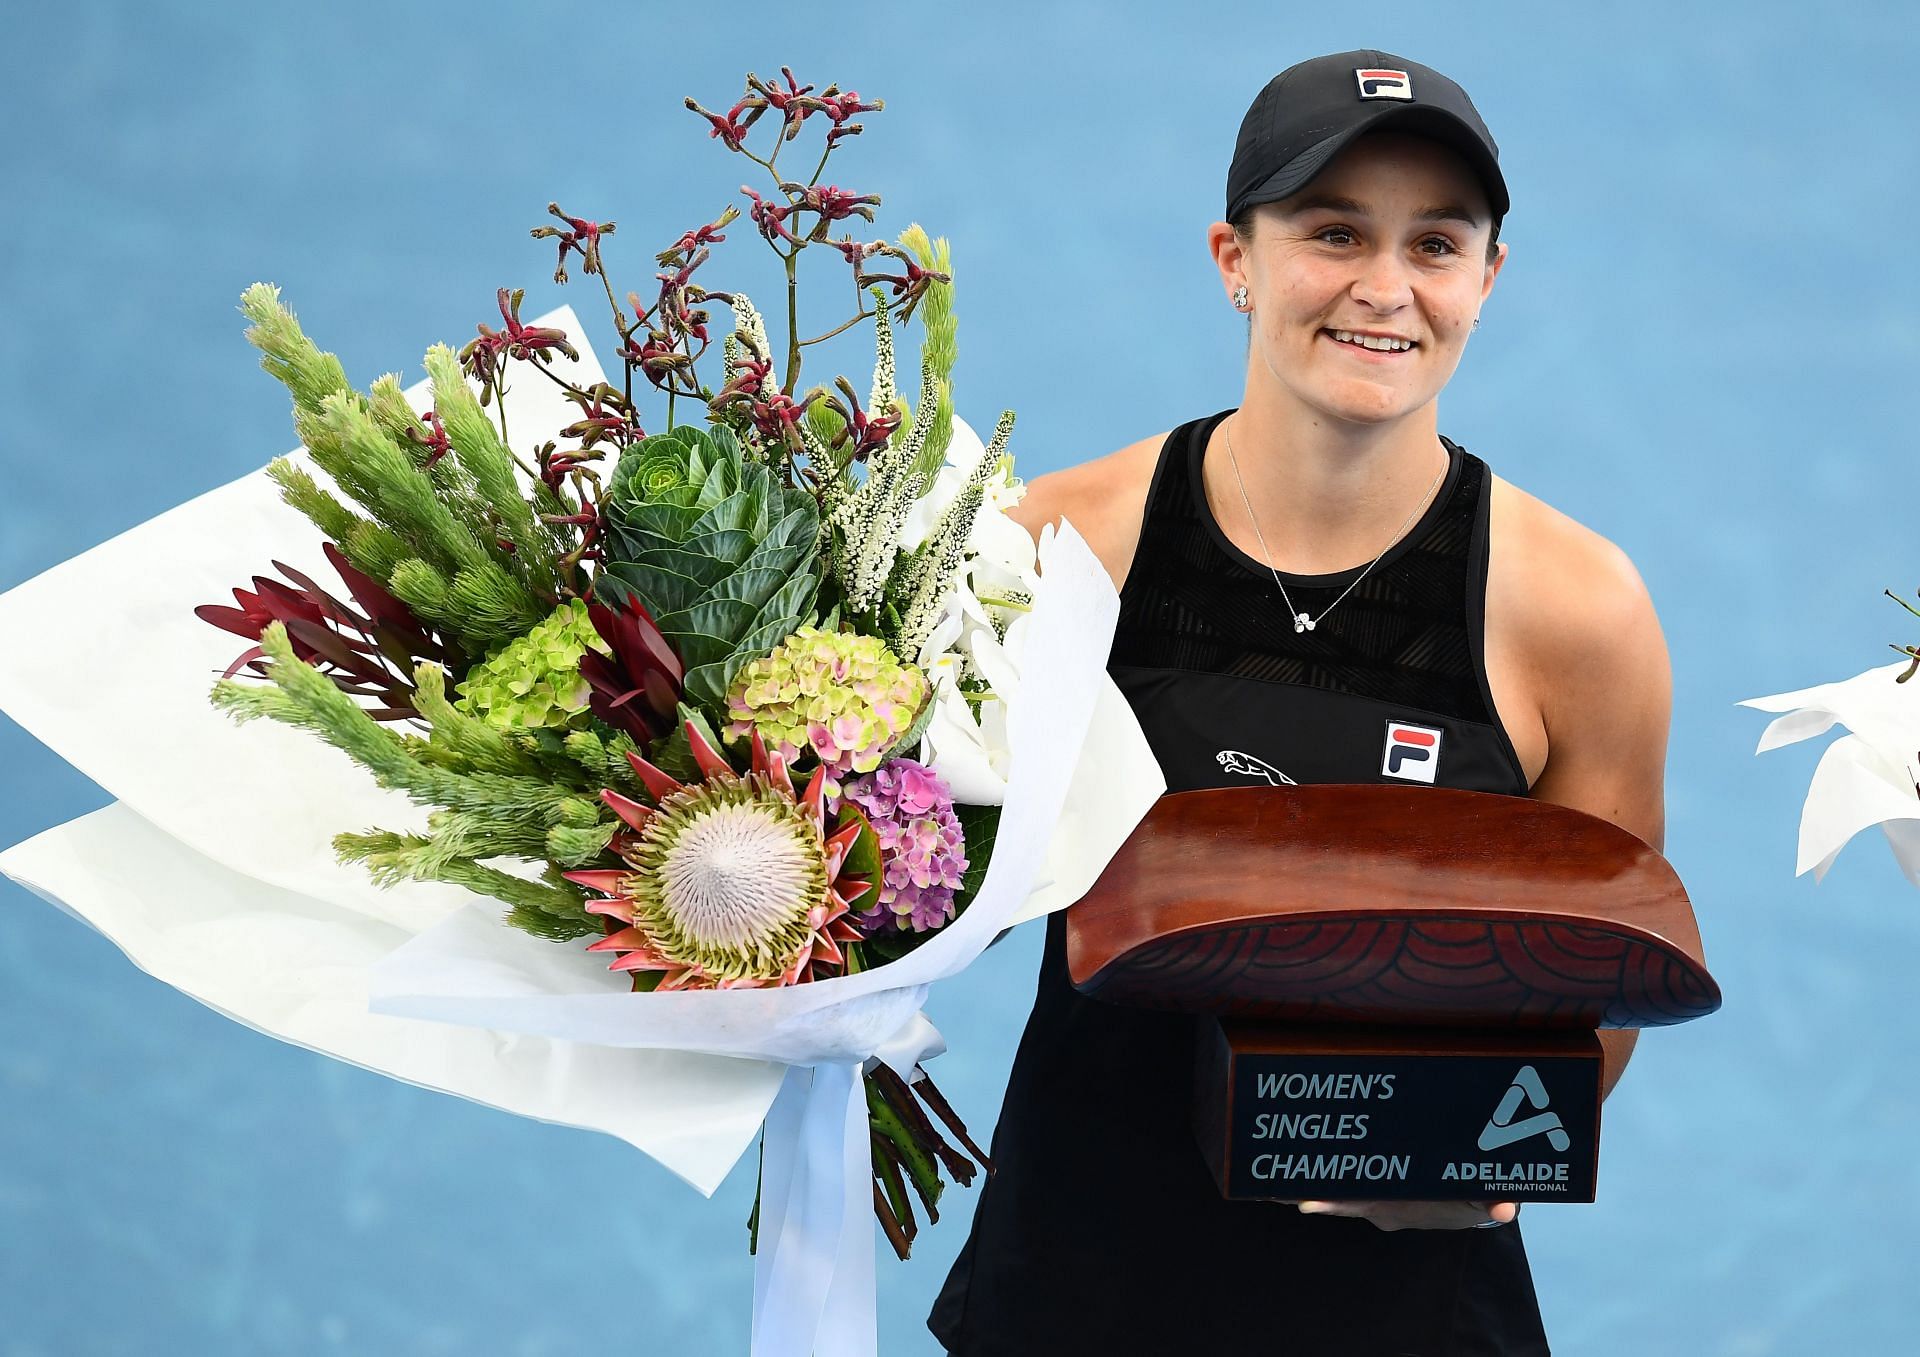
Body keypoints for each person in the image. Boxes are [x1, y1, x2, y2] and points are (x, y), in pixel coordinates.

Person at [927, 49, 1671, 1356]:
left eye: (1434, 244)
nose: (1384, 289)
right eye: (1333, 233)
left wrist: (1468, 1143)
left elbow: (1603, 980)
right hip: (1074, 1290)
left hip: (1413, 1313)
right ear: (1236, 257)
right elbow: (917, 874)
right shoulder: (1058, 545)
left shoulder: (1579, 614)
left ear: (1487, 280)